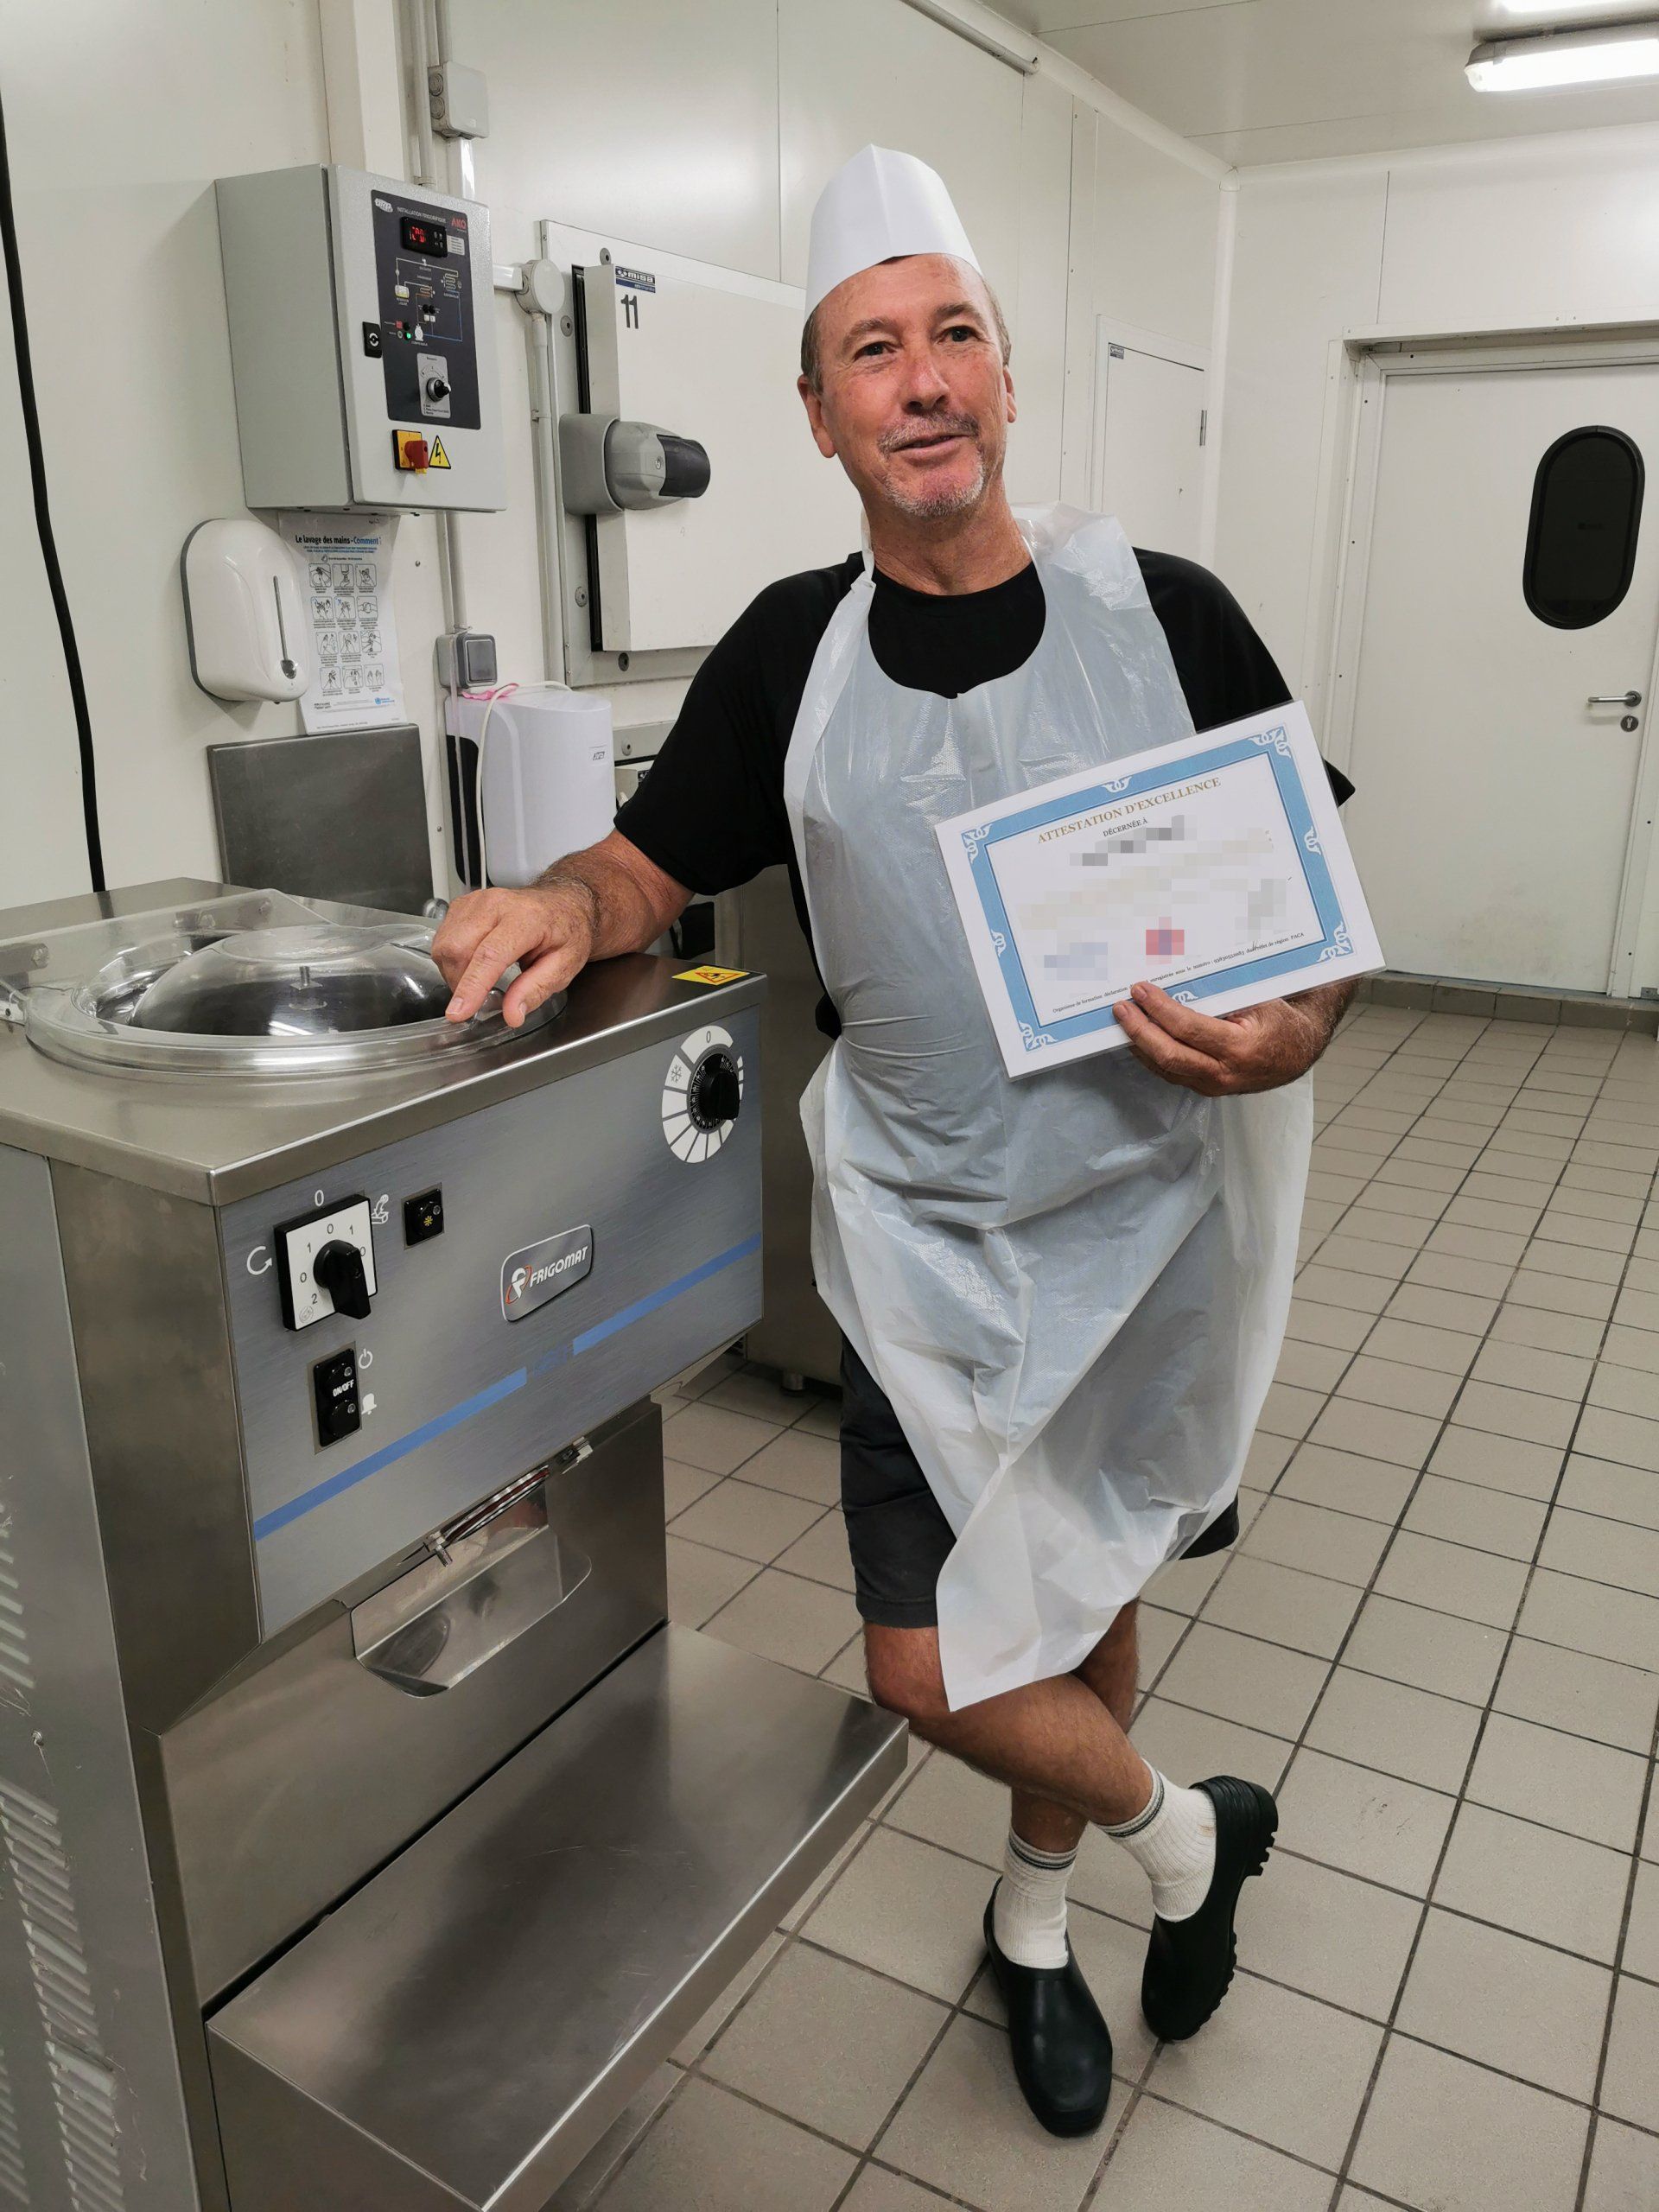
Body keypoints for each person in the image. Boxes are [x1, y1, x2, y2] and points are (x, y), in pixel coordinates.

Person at [434, 145, 1357, 2139]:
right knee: (927, 1661)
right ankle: (1189, 1837)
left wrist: (1292, 1029)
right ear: (819, 409)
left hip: (1141, 1228)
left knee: (1086, 1587)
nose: (922, 378)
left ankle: (1036, 1921)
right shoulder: (792, 652)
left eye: (954, 337)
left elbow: (1319, 916)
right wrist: (561, 900)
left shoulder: (1168, 619)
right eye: (874, 347)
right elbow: (640, 864)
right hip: (928, 1243)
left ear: (1006, 378)